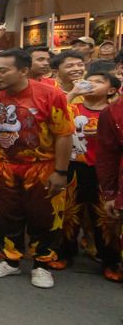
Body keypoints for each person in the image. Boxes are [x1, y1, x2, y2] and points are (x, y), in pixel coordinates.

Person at [0, 50, 74, 289]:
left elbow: (64, 135)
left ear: (23, 71)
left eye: (3, 70)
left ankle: (42, 264)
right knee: (4, 215)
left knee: (44, 215)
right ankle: (10, 259)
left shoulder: (51, 95)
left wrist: (60, 171)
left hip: (42, 167)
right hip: (4, 167)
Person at [62, 70, 121, 280]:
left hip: (102, 171)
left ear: (112, 90)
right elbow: (55, 112)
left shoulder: (113, 112)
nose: (92, 84)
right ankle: (65, 253)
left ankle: (110, 261)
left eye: (99, 82)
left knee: (105, 217)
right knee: (69, 212)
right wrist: (73, 92)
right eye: (90, 80)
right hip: (74, 167)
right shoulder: (73, 106)